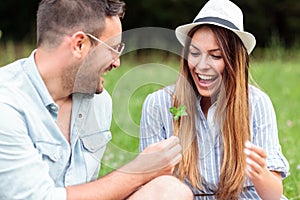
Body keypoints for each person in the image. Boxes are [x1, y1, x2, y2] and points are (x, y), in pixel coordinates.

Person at [0, 0, 193, 199]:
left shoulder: (99, 103)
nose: (117, 62)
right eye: (112, 49)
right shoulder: (6, 104)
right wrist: (138, 172)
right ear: (79, 45)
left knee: (170, 191)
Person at [140, 0, 289, 199]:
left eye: (215, 56)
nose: (202, 66)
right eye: (194, 53)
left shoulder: (257, 103)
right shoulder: (159, 104)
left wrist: (261, 172)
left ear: (234, 61)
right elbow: (151, 189)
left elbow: (273, 195)